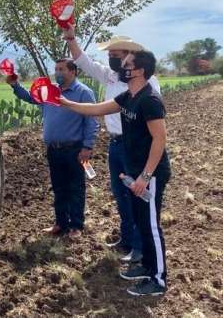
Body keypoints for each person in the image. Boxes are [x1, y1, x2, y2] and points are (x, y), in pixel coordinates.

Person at [59, 50, 172, 296]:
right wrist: (66, 103)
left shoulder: (149, 100)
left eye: (127, 64)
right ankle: (146, 266)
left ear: (140, 70)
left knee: (151, 226)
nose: (122, 67)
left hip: (149, 174)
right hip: (134, 171)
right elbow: (98, 109)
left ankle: (158, 279)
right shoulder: (128, 96)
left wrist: (145, 176)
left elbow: (159, 139)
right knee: (142, 222)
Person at [62, 25, 161, 265]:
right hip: (115, 144)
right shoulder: (109, 75)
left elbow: (154, 124)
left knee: (137, 196)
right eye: (110, 54)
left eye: (115, 54)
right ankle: (127, 238)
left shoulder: (146, 83)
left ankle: (139, 247)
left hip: (136, 146)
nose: (111, 58)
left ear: (130, 55)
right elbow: (82, 60)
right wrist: (70, 37)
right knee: (120, 195)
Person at [8, 59, 99, 240]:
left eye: (61, 69)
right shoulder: (50, 91)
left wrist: (87, 147)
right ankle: (60, 223)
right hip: (53, 150)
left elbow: (92, 121)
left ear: (73, 72)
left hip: (75, 150)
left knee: (75, 188)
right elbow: (30, 97)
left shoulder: (83, 93)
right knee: (59, 188)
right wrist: (15, 85)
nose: (57, 72)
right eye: (56, 69)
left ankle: (76, 225)